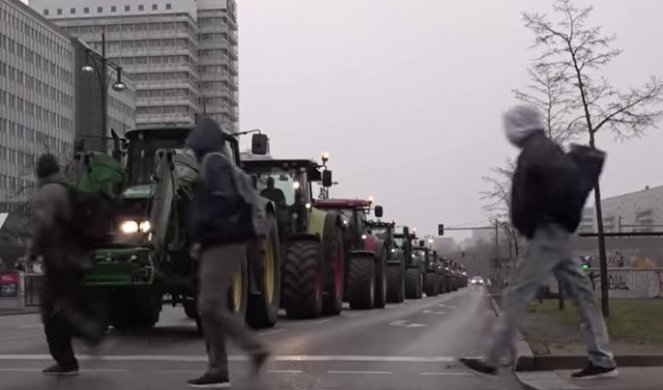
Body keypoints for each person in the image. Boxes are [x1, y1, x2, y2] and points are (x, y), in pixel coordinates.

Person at [460, 105, 617, 380]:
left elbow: (557, 185)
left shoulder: (538, 150)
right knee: (581, 294)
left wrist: (544, 216)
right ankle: (602, 359)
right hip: (553, 231)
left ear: (519, 127)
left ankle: (491, 358)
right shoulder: (542, 148)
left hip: (547, 232)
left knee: (518, 291)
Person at [185, 118, 270, 388]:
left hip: (222, 241)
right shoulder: (218, 162)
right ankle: (218, 367)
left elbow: (221, 202)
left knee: (209, 305)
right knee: (209, 307)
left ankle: (251, 350)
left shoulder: (214, 163)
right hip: (221, 240)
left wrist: (204, 233)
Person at [26, 154, 102, 376]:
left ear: (40, 172)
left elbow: (44, 223)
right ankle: (84, 337)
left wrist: (31, 252)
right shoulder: (69, 188)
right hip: (78, 258)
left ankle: (70, 355)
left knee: (51, 311)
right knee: (65, 305)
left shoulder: (48, 192)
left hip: (59, 259)